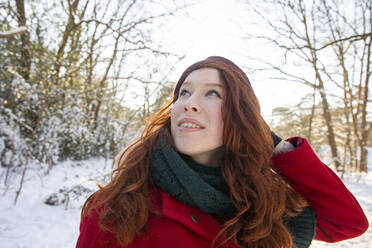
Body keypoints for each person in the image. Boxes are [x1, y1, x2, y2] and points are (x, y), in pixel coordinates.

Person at [76, 56, 368, 248]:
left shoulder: (264, 202)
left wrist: (276, 147)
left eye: (212, 93)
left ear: (242, 117)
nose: (190, 103)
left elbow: (347, 223)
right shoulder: (114, 209)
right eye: (184, 93)